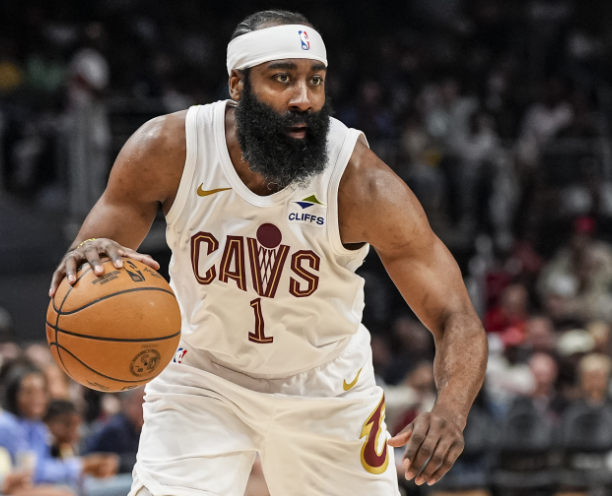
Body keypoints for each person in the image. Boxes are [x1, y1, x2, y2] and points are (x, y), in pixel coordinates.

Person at [49, 10, 488, 496]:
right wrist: (87, 254)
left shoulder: (361, 183)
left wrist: (451, 410)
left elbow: (456, 315)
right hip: (204, 376)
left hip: (326, 386)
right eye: (283, 78)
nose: (304, 99)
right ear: (238, 84)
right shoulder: (170, 149)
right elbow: (89, 254)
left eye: (315, 80)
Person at [0, 366, 118, 490]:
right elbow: (32, 471)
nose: (37, 398)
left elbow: (43, 466)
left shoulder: (37, 426)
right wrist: (82, 466)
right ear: (13, 394)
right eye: (29, 392)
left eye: (42, 391)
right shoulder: (7, 424)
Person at [84, 388, 144, 474]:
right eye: (140, 404)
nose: (143, 409)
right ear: (126, 403)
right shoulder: (115, 430)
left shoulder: (140, 429)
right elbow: (108, 462)